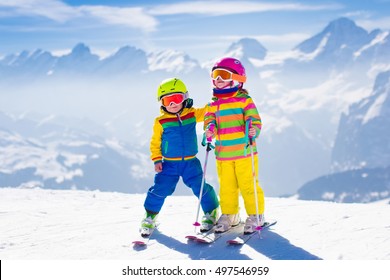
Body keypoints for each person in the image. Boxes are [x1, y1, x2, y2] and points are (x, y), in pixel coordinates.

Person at [140, 77, 219, 236]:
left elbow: (206, 112)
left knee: (199, 186)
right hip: (169, 164)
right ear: (161, 103)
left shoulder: (191, 114)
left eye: (176, 98)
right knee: (160, 189)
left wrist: (216, 102)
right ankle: (150, 217)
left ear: (185, 98)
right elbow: (155, 142)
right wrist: (156, 159)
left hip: (190, 162)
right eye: (167, 100)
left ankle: (211, 212)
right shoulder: (161, 121)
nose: (173, 104)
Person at [204, 57, 265, 234]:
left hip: (245, 152)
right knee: (227, 187)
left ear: (237, 79)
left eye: (223, 75)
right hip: (224, 155)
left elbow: (254, 119)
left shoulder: (244, 100)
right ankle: (230, 215)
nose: (218, 79)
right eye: (215, 75)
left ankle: (256, 215)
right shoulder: (212, 104)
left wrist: (253, 129)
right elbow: (210, 120)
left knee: (248, 185)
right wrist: (209, 129)